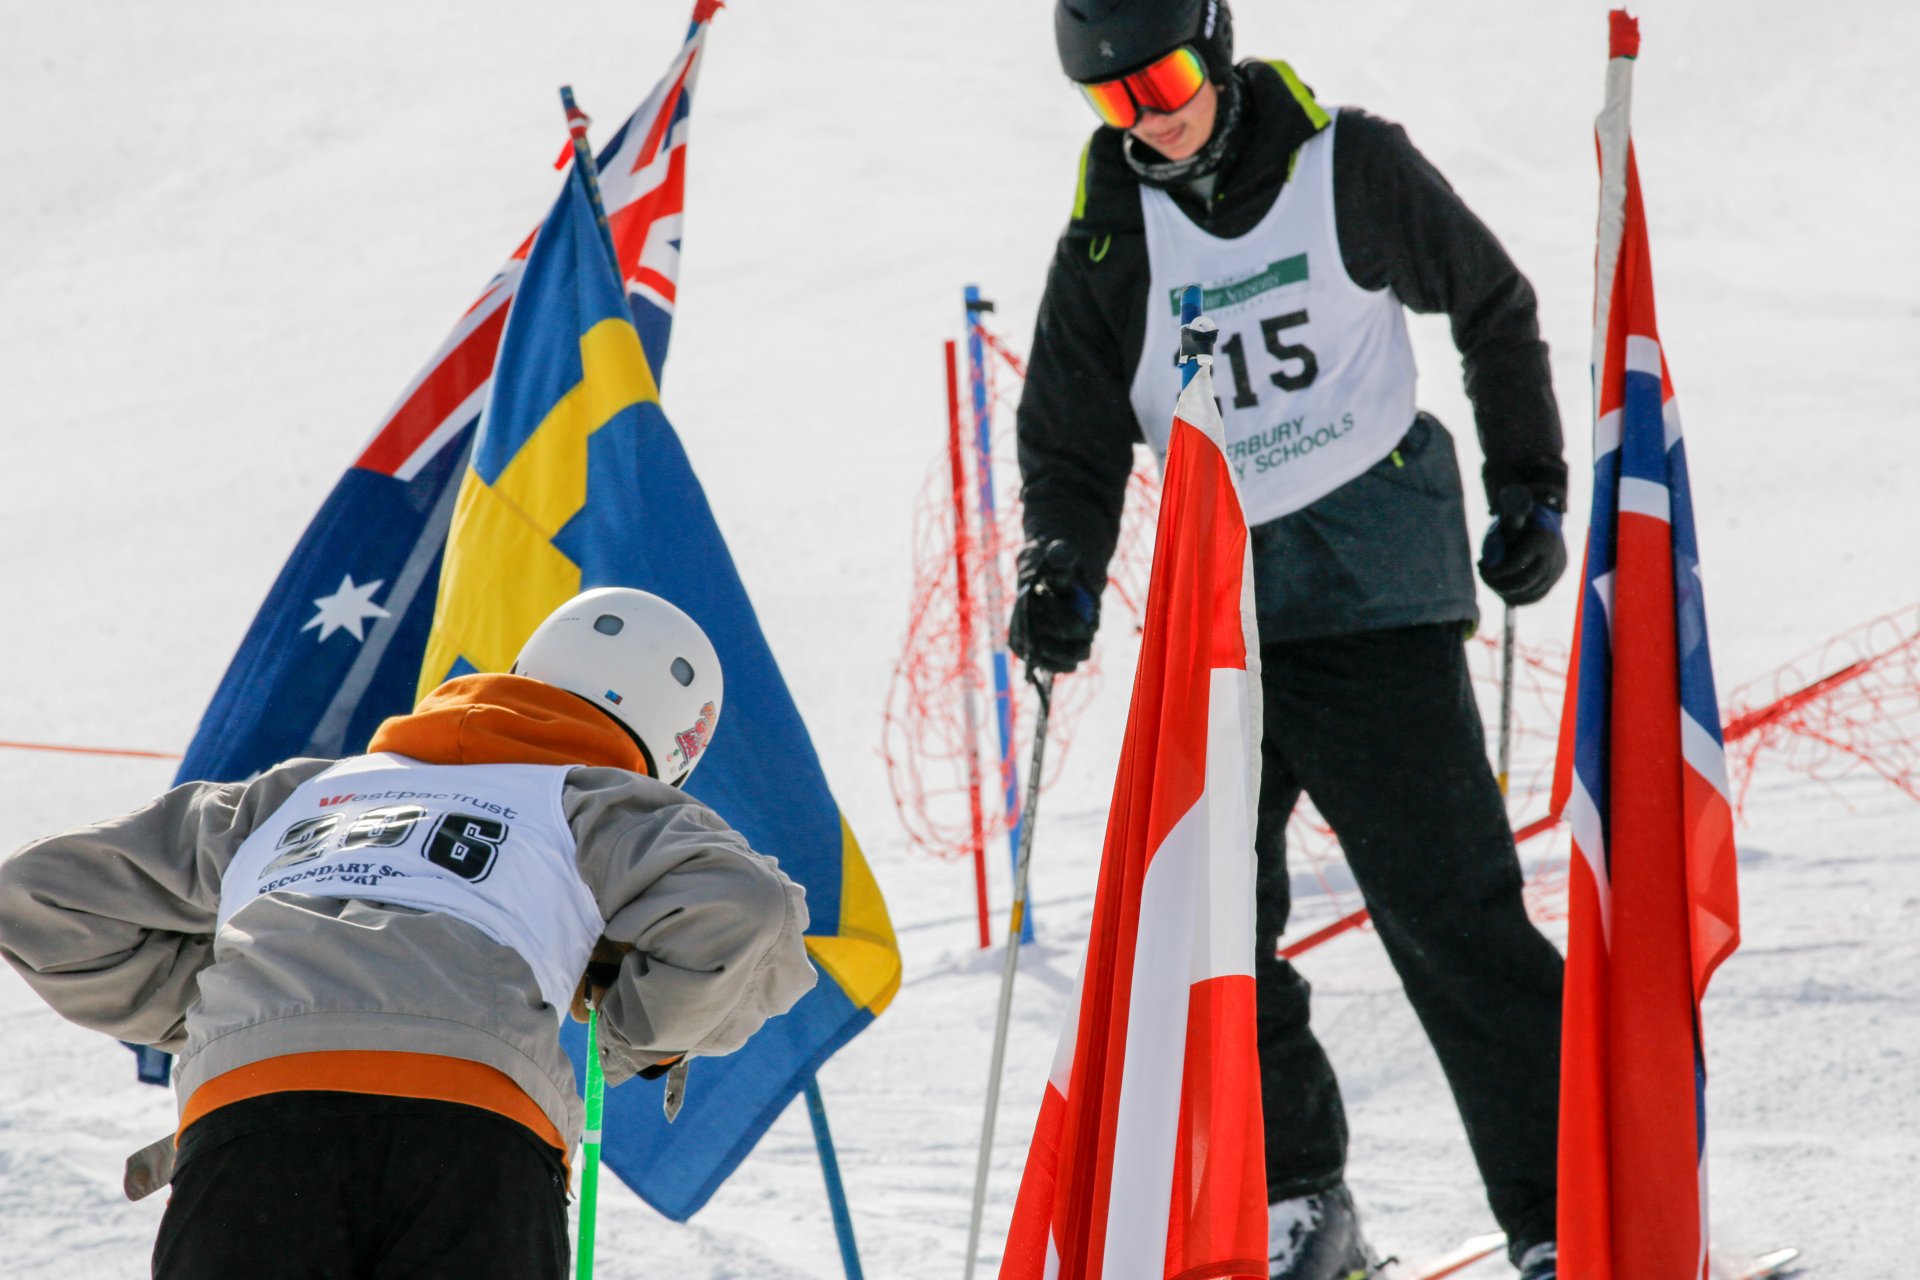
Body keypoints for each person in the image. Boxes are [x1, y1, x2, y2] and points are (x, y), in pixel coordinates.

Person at [1009, 4, 1568, 1278]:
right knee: (1213, 932)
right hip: (1222, 637)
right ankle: (1298, 1202)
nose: (1151, 118)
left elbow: (1492, 305)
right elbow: (1070, 441)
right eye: (1114, 100)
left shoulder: (1348, 166)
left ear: (1212, 44)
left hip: (1377, 604)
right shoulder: (1110, 241)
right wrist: (1060, 566)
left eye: (1162, 79)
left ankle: (1565, 1210)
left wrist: (1529, 484)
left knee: (1453, 918)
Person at [0, 587, 816, 1280]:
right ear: (672, 752)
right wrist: (634, 1040)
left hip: (252, 1127)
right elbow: (746, 908)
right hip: (473, 1132)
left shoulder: (296, 795)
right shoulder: (599, 805)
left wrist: (254, 999)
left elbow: (36, 894)